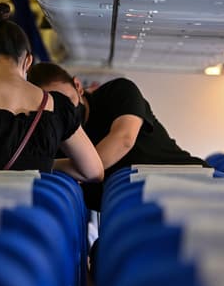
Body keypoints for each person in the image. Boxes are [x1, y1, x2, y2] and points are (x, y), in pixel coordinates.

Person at [0, 4, 103, 182]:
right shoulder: (58, 106)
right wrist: (43, 163)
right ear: (28, 61)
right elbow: (94, 172)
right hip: (39, 207)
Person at [27, 62, 208, 208]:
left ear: (77, 86)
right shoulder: (55, 137)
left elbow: (123, 140)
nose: (66, 112)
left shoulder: (118, 92)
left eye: (68, 101)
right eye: (56, 108)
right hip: (137, 210)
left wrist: (51, 164)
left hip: (193, 184)